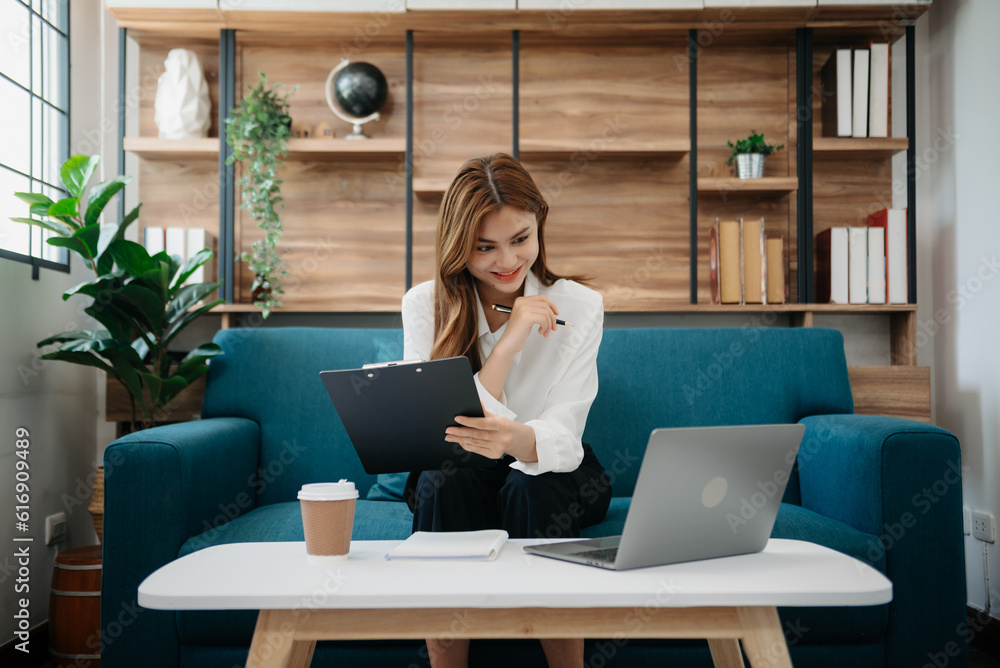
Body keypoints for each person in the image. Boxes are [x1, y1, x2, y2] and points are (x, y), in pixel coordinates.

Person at [401, 153, 612, 668]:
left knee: (529, 485)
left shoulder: (581, 306)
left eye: (521, 238)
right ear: (458, 246)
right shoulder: (425, 304)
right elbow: (435, 431)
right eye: (484, 248)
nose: (507, 262)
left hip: (552, 466)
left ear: (539, 220)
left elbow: (564, 429)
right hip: (457, 467)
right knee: (444, 480)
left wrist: (513, 439)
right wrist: (508, 345)